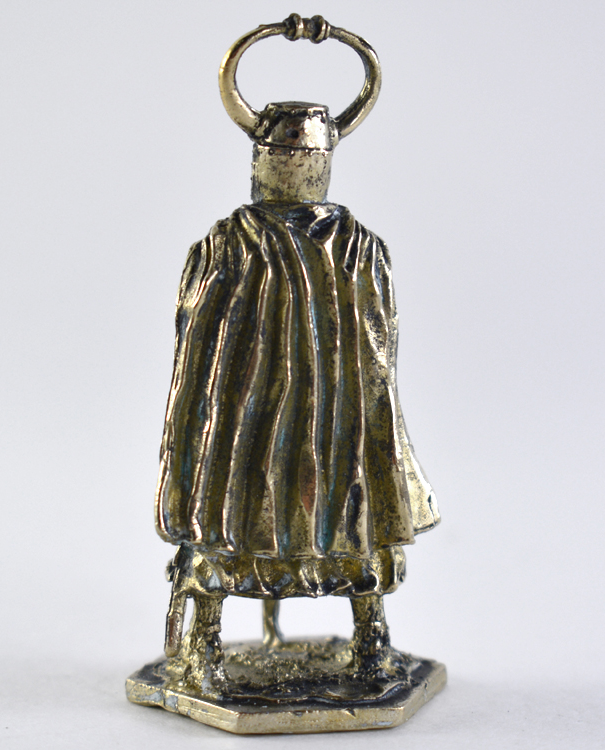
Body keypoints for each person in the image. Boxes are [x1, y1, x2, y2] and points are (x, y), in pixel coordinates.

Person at [154, 102, 440, 693]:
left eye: (300, 155)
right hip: (246, 422)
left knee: (350, 513)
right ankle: (205, 646)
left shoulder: (357, 247)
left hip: (338, 419)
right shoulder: (231, 242)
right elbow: (200, 341)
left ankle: (369, 644)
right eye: (281, 155)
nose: (290, 166)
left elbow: (376, 353)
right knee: (233, 517)